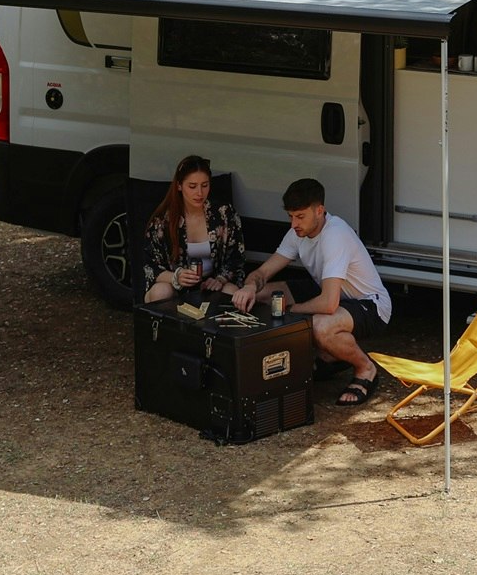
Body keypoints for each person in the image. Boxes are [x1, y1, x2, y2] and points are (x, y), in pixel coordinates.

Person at [230, 178, 393, 407]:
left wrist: (289, 310)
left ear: (319, 211)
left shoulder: (335, 235)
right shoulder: (297, 232)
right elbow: (264, 272)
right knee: (264, 294)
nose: (294, 224)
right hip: (332, 293)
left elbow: (328, 304)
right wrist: (249, 286)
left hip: (370, 305)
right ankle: (331, 355)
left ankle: (365, 369)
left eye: (300, 216)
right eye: (290, 216)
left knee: (320, 326)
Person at [142, 155, 247, 303]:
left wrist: (220, 279)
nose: (199, 193)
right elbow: (150, 266)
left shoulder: (223, 214)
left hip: (210, 285)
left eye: (205, 185)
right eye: (192, 186)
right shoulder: (163, 221)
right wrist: (176, 276)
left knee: (231, 291)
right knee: (161, 291)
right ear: (179, 186)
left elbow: (236, 257)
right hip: (174, 286)